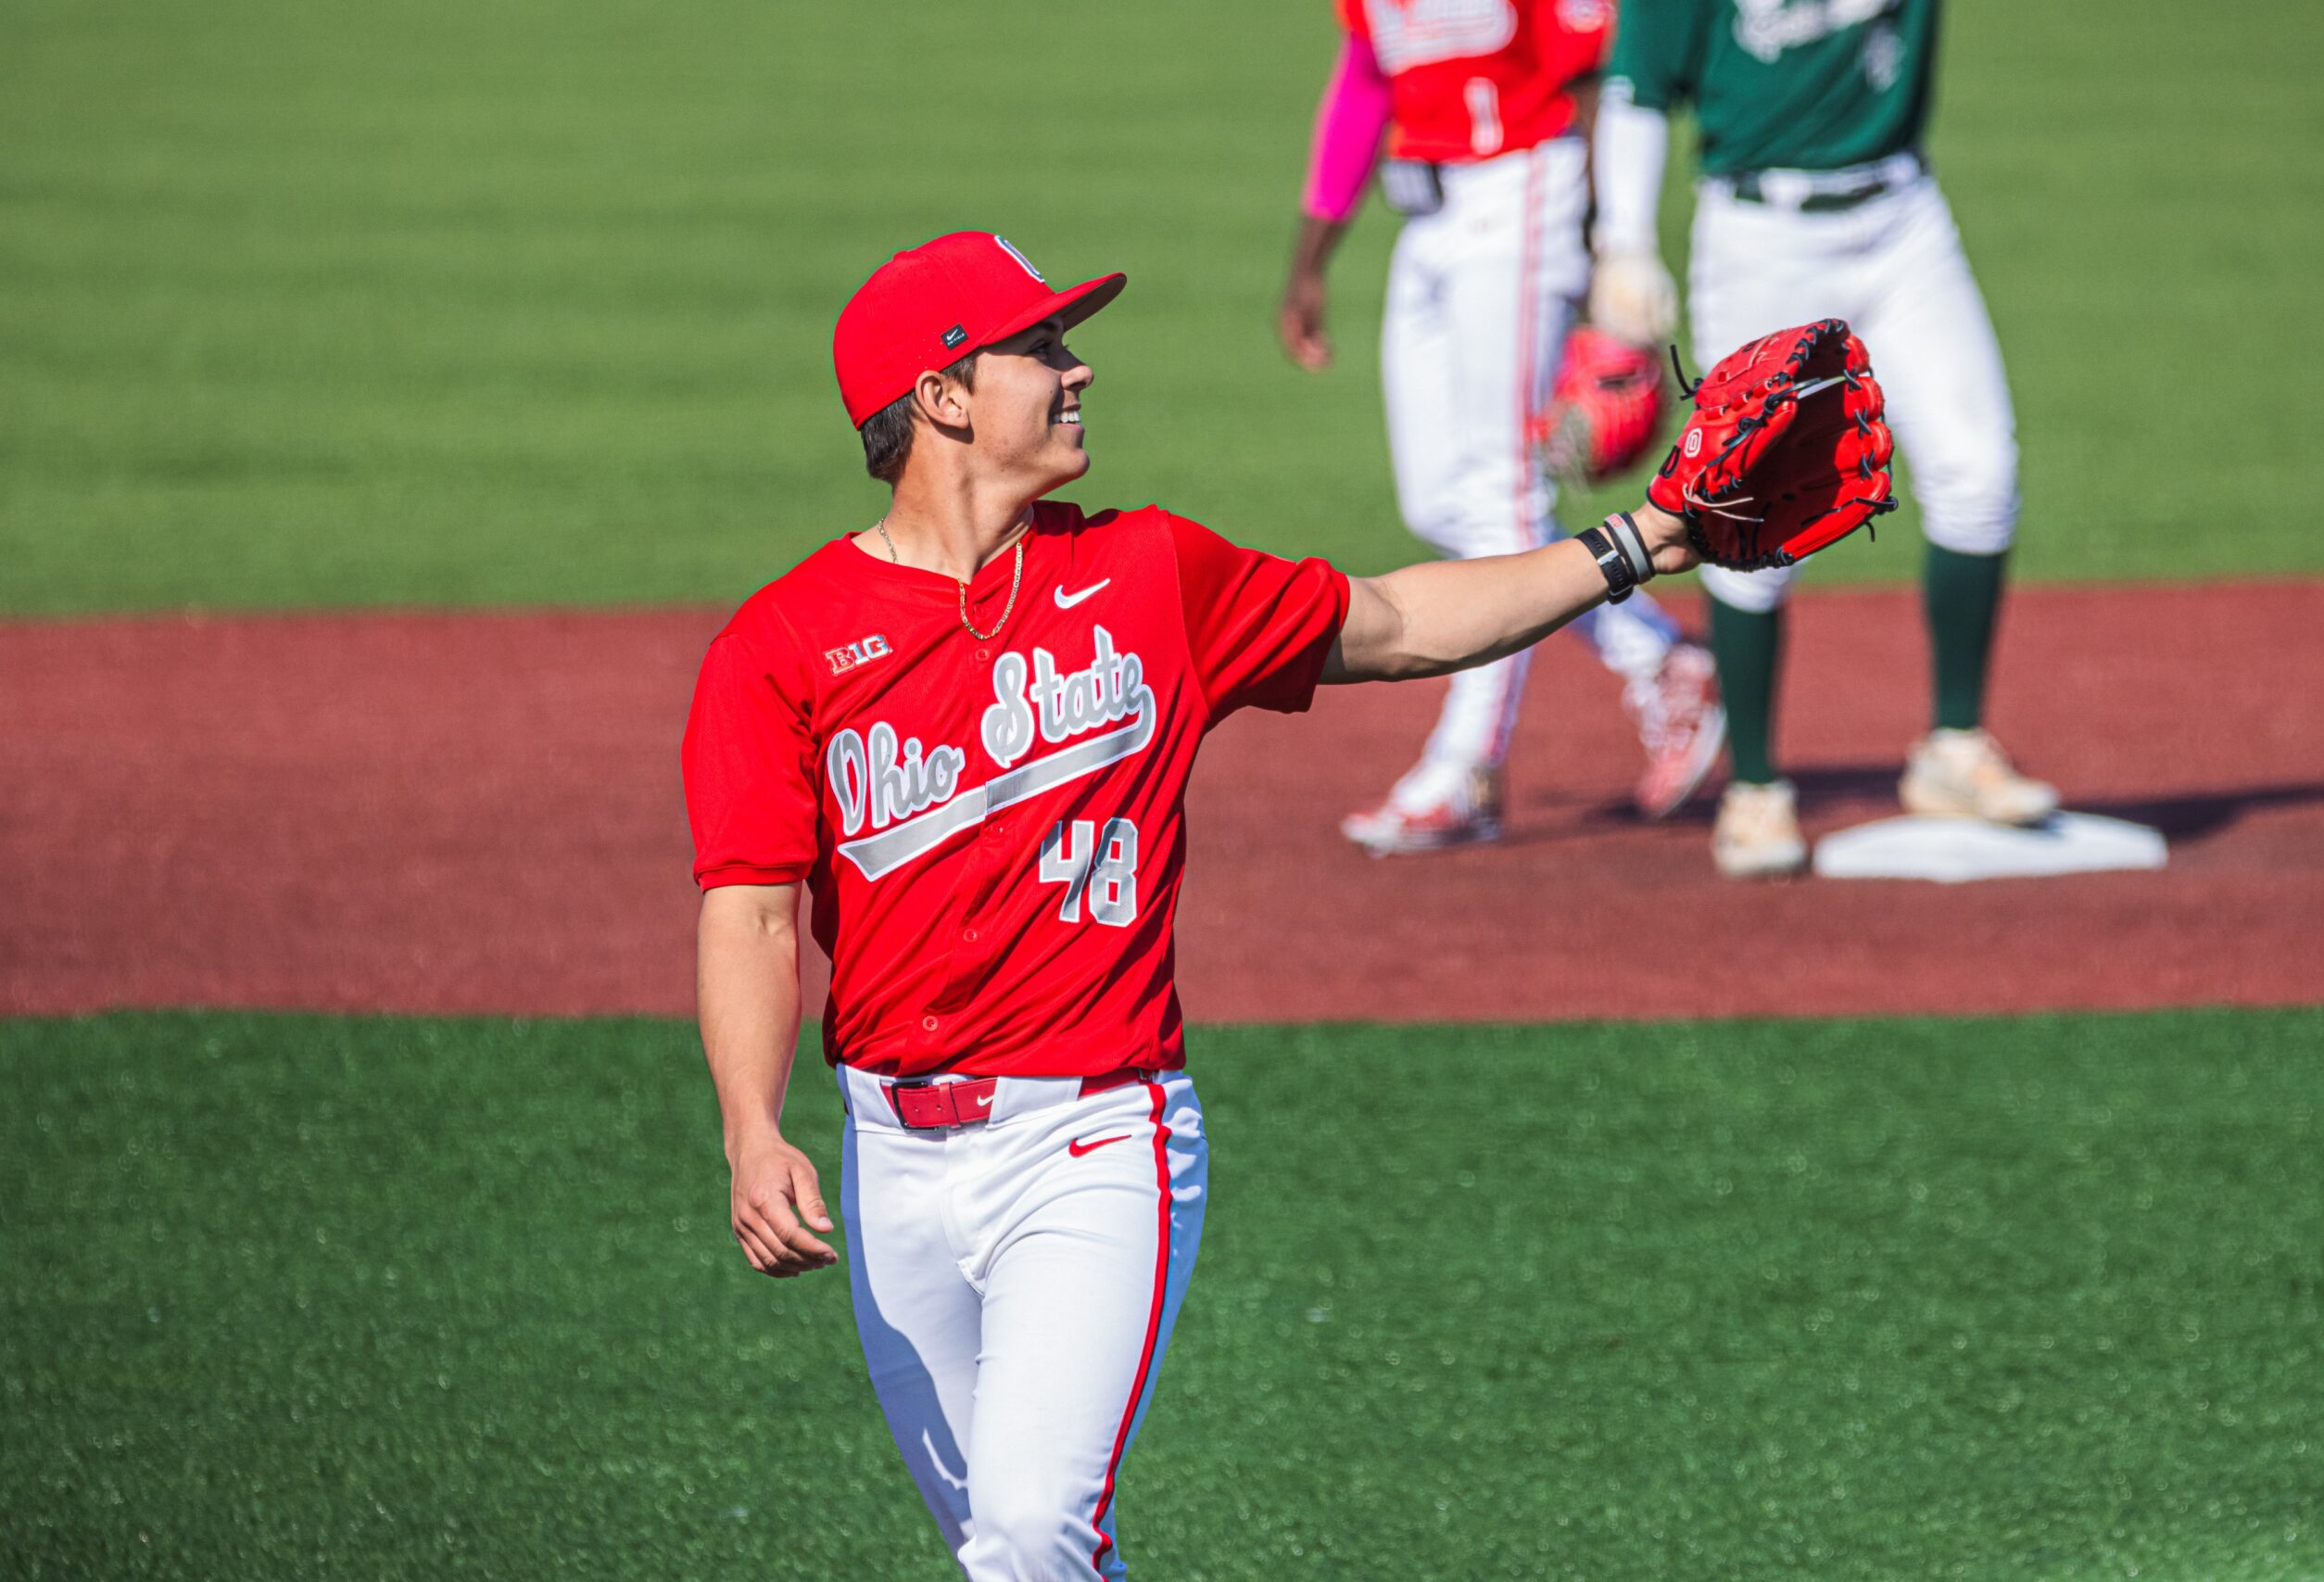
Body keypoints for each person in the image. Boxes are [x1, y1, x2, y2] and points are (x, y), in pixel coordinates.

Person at [682, 230, 1705, 1579]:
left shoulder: (1149, 575)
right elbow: (751, 912)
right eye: (1039, 348)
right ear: (940, 398)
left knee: (1031, 1531)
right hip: (896, 1167)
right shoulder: (781, 646)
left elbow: (1399, 621)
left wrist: (1640, 538)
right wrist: (753, 1131)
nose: (1076, 364)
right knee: (1020, 1557)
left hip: (1095, 1138)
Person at [1589, 0, 2056, 878]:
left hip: (1904, 221)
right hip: (1761, 235)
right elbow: (1640, 88)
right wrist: (1623, 243)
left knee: (1979, 472)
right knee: (1746, 502)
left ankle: (1954, 746)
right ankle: (1756, 787)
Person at [1277, 0, 1726, 854]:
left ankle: (1466, 768)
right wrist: (1311, 260)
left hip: (1525, 191)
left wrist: (1607, 243)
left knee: (1500, 492)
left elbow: (1592, 76)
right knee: (1440, 499)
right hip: (1428, 216)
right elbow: (1367, 80)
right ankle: (1659, 655)